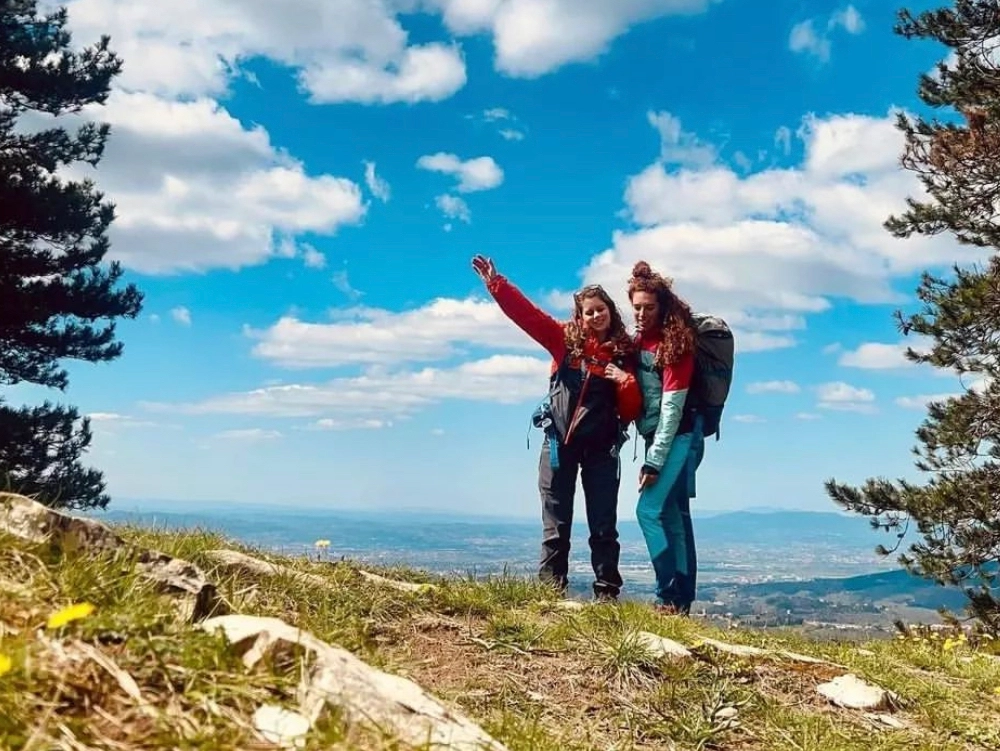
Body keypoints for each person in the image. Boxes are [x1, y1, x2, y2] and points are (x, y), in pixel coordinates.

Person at [472, 255, 641, 601]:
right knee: (556, 525)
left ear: (610, 310)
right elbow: (528, 316)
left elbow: (631, 411)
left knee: (603, 526)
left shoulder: (625, 353)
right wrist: (497, 285)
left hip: (602, 450)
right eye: (588, 311)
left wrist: (624, 382)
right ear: (579, 316)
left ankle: (607, 596)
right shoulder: (565, 341)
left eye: (600, 309)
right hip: (558, 446)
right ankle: (550, 595)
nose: (595, 316)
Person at [627, 261, 705, 614]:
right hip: (661, 437)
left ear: (664, 307)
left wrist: (654, 460)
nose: (642, 314)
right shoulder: (639, 341)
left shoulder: (676, 346)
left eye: (649, 307)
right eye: (637, 307)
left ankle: (666, 597)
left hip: (680, 438)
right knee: (671, 516)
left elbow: (672, 411)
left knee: (647, 511)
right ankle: (681, 601)